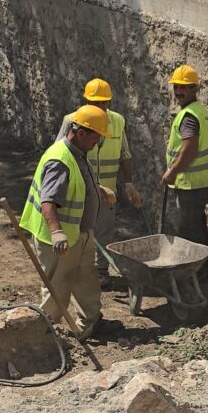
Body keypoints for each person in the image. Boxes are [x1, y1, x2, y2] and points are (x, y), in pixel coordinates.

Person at [19, 105, 115, 337]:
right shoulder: (60, 160)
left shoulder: (77, 152)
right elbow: (48, 201)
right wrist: (56, 232)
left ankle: (89, 322)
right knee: (57, 288)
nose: (98, 143)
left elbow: (76, 181)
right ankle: (45, 332)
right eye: (96, 137)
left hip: (80, 234)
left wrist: (96, 189)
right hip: (61, 238)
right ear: (81, 132)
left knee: (86, 280)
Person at [57, 78, 136, 273]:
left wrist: (128, 184)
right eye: (95, 102)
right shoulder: (72, 120)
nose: (100, 106)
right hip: (80, 189)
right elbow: (61, 152)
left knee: (104, 231)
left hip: (107, 190)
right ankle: (76, 268)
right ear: (85, 100)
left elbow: (124, 154)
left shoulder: (117, 121)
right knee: (79, 230)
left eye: (104, 102)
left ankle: (101, 271)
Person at [160, 65, 208, 256]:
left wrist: (173, 171)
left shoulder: (189, 116)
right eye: (176, 87)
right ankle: (204, 263)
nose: (178, 91)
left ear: (195, 89)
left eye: (184, 87)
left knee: (189, 227)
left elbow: (190, 149)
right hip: (201, 179)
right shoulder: (198, 110)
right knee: (196, 222)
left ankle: (196, 267)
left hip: (193, 181)